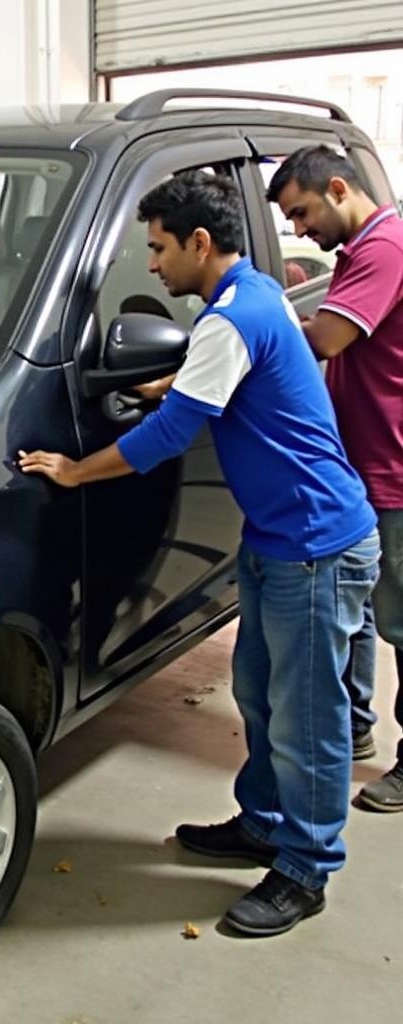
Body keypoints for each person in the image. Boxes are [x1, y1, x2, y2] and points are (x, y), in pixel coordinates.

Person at [19, 170, 380, 936]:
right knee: (258, 692)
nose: (152, 266)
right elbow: (229, 377)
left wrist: (76, 468)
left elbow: (170, 438)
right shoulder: (251, 297)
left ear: (199, 243)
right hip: (280, 540)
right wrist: (171, 384)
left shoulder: (232, 317)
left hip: (316, 545)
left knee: (305, 717)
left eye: (157, 249)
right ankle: (264, 820)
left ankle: (306, 869)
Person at [268, 146, 403, 812]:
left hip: (396, 468)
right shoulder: (359, 253)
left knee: (401, 624)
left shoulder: (385, 248)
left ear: (339, 188)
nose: (298, 232)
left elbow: (324, 340)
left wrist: (247, 329)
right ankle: (353, 725)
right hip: (361, 462)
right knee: (355, 615)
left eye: (301, 212)